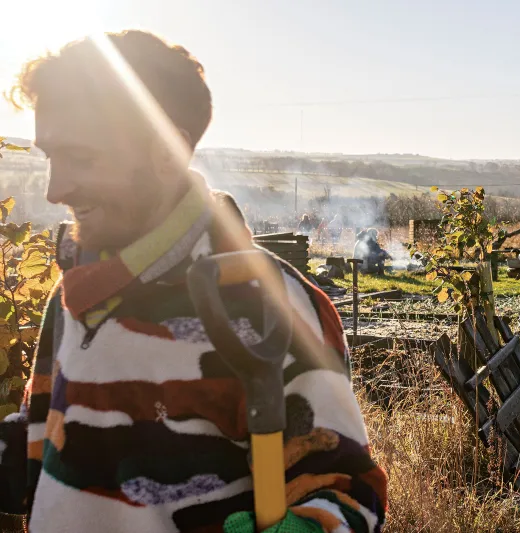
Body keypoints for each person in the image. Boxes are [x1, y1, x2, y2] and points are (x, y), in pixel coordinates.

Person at [0, 31, 385, 533]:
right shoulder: (78, 295)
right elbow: (43, 442)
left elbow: (347, 494)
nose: (56, 189)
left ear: (167, 151)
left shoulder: (260, 302)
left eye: (84, 158)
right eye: (51, 157)